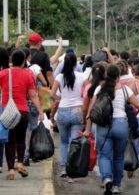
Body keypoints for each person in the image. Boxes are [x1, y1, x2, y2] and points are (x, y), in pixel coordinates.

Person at [84, 64, 139, 194]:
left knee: (104, 155)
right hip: (120, 124)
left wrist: (88, 128)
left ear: (106, 75)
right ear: (118, 76)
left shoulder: (100, 88)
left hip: (103, 125)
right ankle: (116, 186)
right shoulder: (125, 89)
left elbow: (91, 110)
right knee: (118, 157)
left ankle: (106, 179)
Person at [0, 49, 44, 180]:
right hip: (23, 112)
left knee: (9, 141)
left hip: (7, 112)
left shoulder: (2, 73)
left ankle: (11, 171)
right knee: (20, 139)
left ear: (11, 60)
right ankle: (20, 163)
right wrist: (41, 111)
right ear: (25, 61)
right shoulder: (28, 75)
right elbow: (33, 95)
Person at [50, 53, 86, 182]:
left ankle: (64, 168)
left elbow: (52, 94)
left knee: (64, 142)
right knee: (74, 143)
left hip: (63, 111)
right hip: (77, 110)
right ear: (75, 64)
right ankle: (72, 171)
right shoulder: (82, 76)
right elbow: (87, 92)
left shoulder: (59, 77)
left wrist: (61, 98)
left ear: (64, 63)